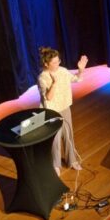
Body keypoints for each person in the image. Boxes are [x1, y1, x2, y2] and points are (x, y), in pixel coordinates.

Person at [37, 46, 87, 175]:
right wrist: (54, 82)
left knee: (68, 134)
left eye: (58, 61)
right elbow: (48, 97)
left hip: (65, 106)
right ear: (46, 64)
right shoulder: (43, 77)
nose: (57, 64)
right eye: (54, 62)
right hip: (52, 111)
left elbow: (76, 79)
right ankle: (56, 164)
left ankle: (72, 160)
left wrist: (81, 70)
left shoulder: (63, 70)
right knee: (55, 138)